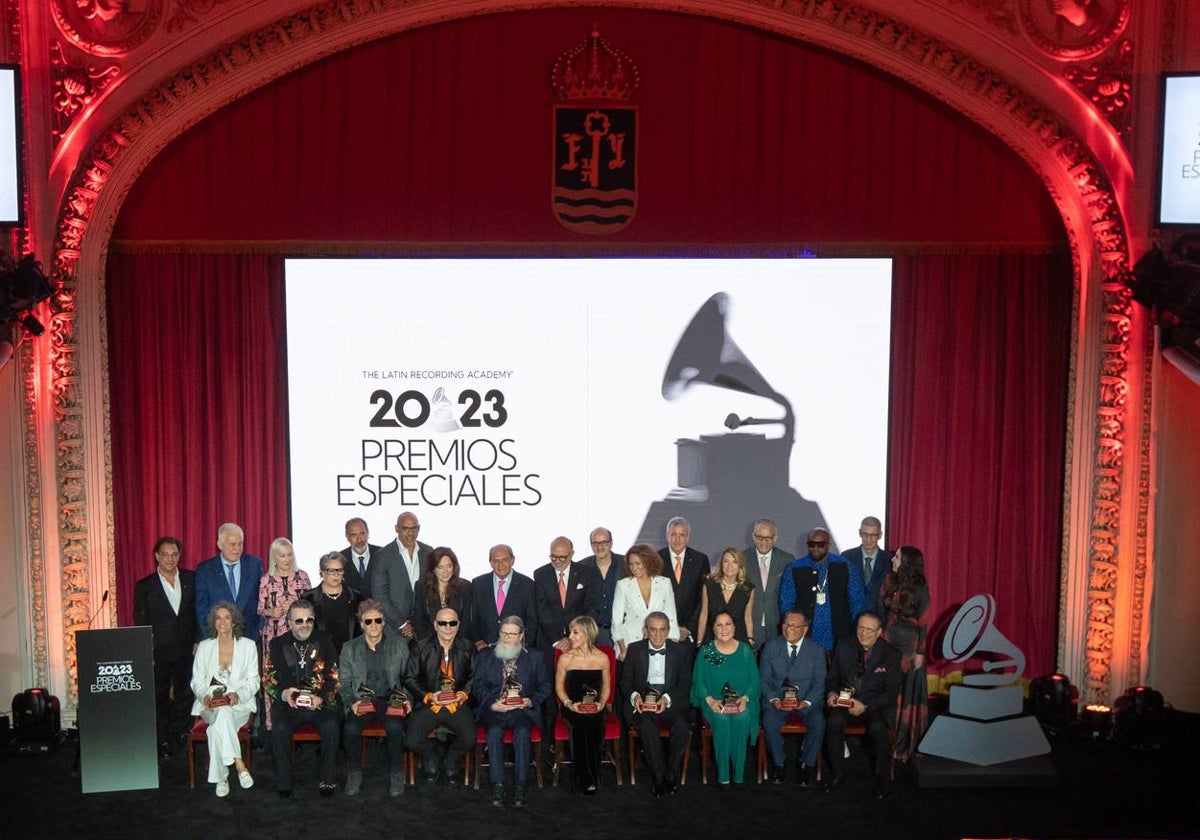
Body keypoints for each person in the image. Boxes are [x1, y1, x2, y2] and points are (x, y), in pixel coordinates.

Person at [265, 599, 341, 798]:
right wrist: (283, 693)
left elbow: (334, 676)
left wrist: (322, 698)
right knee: (279, 728)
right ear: (289, 622)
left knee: (332, 725)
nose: (305, 624)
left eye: (309, 620)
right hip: (289, 704)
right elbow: (269, 678)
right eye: (299, 621)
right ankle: (284, 781)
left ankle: (327, 778)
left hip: (319, 702)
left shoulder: (325, 640)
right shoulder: (277, 644)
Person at [473, 616, 551, 808]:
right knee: (493, 732)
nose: (507, 638)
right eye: (503, 633)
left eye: (512, 634)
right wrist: (492, 704)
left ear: (521, 635)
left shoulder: (535, 657)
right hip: (495, 708)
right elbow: (478, 686)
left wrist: (530, 700)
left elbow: (545, 685)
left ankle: (521, 785)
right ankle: (497, 784)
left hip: (521, 709)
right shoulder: (485, 655)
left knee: (523, 732)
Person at [824, 611, 901, 798]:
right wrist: (831, 693)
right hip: (845, 700)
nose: (863, 633)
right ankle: (838, 773)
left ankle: (883, 778)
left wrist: (865, 706)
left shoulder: (891, 653)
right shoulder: (844, 645)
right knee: (834, 721)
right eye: (860, 627)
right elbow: (832, 678)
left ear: (879, 632)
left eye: (869, 629)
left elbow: (891, 693)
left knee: (877, 727)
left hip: (873, 704)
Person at [132, 536, 197, 757]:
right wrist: (144, 650)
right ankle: (163, 740)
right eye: (165, 554)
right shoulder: (145, 586)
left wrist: (198, 640)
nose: (170, 559)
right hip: (157, 652)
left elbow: (197, 614)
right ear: (157, 556)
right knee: (159, 697)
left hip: (187, 650)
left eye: (174, 554)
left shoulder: (191, 579)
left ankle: (181, 733)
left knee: (186, 693)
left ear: (180, 556)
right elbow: (140, 622)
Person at [339, 599, 411, 797]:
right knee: (350, 728)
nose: (373, 625)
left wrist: (408, 699)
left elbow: (409, 678)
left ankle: (397, 774)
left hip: (391, 699)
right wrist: (350, 703)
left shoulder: (399, 645)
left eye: (377, 620)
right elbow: (344, 683)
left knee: (395, 727)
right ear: (361, 624)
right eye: (368, 621)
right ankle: (354, 773)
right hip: (362, 700)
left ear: (384, 622)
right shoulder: (349, 648)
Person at [619, 611, 694, 796]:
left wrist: (666, 699)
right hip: (642, 704)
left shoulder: (681, 651)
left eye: (662, 630)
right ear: (645, 631)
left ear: (669, 631)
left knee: (682, 726)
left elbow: (685, 683)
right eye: (653, 630)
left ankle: (671, 773)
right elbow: (625, 681)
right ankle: (659, 775)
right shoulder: (635, 649)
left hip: (669, 702)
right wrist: (635, 696)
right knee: (647, 725)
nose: (658, 635)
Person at [189, 601, 257, 797]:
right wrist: (204, 697)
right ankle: (239, 763)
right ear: (213, 622)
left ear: (234, 621)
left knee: (216, 728)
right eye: (218, 618)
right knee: (221, 711)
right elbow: (196, 682)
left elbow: (254, 682)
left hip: (239, 705)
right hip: (209, 705)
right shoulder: (204, 647)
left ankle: (221, 778)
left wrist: (239, 694)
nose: (223, 622)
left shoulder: (248, 646)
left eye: (227, 617)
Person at [404, 606, 476, 788]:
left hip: (457, 704)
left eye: (452, 623)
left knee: (469, 739)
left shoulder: (468, 647)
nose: (447, 628)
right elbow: (409, 678)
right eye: (443, 623)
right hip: (430, 703)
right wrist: (428, 696)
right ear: (435, 625)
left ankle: (450, 759)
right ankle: (431, 756)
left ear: (458, 625)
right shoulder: (420, 647)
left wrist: (464, 693)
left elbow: (475, 676)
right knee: (411, 740)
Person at [691, 611, 759, 788]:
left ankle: (738, 774)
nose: (724, 629)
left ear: (735, 627)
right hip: (713, 701)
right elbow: (699, 682)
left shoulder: (745, 651)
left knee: (742, 717)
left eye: (728, 624)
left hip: (740, 701)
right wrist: (711, 700)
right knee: (721, 719)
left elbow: (754, 681)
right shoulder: (707, 651)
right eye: (719, 625)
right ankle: (723, 774)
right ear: (713, 629)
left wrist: (745, 698)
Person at [759, 611, 825, 786]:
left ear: (805, 629)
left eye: (794, 625)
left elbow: (819, 684)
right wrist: (774, 700)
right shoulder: (770, 647)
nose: (789, 628)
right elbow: (763, 681)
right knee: (769, 721)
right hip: (777, 702)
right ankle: (779, 764)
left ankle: (807, 764)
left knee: (819, 722)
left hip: (805, 703)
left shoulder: (817, 651)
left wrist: (806, 702)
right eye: (786, 624)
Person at [879, 545, 930, 762]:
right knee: (888, 690)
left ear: (907, 562)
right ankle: (884, 739)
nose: (893, 560)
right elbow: (881, 610)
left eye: (897, 557)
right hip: (888, 641)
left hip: (910, 647)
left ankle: (902, 746)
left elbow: (924, 622)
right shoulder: (889, 580)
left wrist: (920, 652)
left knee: (906, 693)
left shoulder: (920, 588)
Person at [779, 526, 864, 652]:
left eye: (820, 544)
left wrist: (856, 631)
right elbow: (786, 603)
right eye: (811, 544)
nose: (815, 548)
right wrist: (792, 629)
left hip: (840, 635)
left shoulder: (844, 566)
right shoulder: (794, 568)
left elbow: (856, 601)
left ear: (828, 545)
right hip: (805, 637)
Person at [554, 616, 610, 795]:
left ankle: (594, 775)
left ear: (588, 633)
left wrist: (601, 703)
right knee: (579, 725)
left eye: (575, 632)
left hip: (595, 707)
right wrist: (569, 704)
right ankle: (583, 779)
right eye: (571, 632)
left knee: (595, 724)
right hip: (572, 706)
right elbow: (559, 688)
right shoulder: (565, 659)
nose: (570, 636)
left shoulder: (603, 658)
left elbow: (607, 686)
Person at [195, 522, 263, 641]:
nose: (237, 549)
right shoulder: (205, 570)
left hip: (249, 639)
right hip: (217, 639)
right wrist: (210, 639)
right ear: (220, 544)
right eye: (232, 544)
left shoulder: (254, 565)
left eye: (240, 544)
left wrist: (256, 634)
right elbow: (202, 609)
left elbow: (262, 601)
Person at [369, 510, 432, 638]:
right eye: (405, 528)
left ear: (419, 528)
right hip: (394, 630)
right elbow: (380, 596)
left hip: (424, 629)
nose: (410, 533)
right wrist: (402, 624)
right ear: (397, 528)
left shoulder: (428, 552)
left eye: (414, 528)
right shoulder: (383, 555)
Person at [610, 543, 678, 662]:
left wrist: (673, 645)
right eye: (631, 564)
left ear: (648, 562)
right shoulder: (623, 585)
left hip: (659, 641)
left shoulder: (664, 583)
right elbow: (616, 621)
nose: (634, 568)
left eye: (637, 563)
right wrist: (623, 649)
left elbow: (671, 617)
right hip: (630, 643)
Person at [534, 536, 602, 654]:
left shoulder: (586, 573)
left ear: (572, 554)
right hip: (551, 643)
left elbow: (592, 607)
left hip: (582, 643)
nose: (557, 561)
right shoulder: (541, 574)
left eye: (562, 557)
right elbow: (542, 611)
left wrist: (576, 637)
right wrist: (557, 640)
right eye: (553, 557)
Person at [257, 537, 312, 673]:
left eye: (289, 555)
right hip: (274, 633)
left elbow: (312, 604)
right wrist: (271, 612)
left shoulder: (302, 576)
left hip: (300, 632)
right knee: (275, 671)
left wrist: (296, 606)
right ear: (274, 558)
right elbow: (260, 609)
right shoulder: (266, 580)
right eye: (282, 556)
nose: (287, 559)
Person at [470, 544, 538, 649]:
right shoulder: (478, 584)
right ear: (490, 563)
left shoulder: (527, 585)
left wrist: (524, 645)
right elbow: (472, 617)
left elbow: (532, 620)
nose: (500, 565)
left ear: (512, 560)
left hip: (517, 649)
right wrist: (477, 640)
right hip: (485, 650)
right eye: (495, 560)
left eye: (504, 560)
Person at [743, 518, 794, 649]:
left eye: (768, 538)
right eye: (759, 537)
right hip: (749, 625)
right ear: (753, 537)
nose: (763, 542)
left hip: (776, 625)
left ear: (775, 538)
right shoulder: (742, 558)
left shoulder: (787, 560)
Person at [658, 516, 708, 643]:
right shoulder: (656, 559)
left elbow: (703, 598)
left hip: (691, 633)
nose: (677, 539)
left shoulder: (700, 560)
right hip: (662, 632)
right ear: (667, 536)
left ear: (688, 537)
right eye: (673, 534)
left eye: (682, 535)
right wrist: (670, 628)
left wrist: (689, 628)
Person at [412, 546, 475, 642]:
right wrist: (431, 645)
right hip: (429, 643)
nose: (445, 571)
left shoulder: (465, 587)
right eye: (440, 567)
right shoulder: (421, 587)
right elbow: (419, 621)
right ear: (433, 569)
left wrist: (455, 644)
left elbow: (466, 622)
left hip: (458, 643)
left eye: (449, 566)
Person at [696, 548, 756, 647]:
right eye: (726, 561)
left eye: (734, 562)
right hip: (712, 640)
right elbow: (704, 615)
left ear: (740, 565)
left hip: (738, 641)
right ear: (721, 564)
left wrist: (750, 639)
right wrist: (699, 641)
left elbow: (748, 617)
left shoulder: (748, 589)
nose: (729, 566)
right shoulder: (709, 585)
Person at [303, 551, 362, 652]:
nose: (336, 575)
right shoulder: (309, 598)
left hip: (350, 654)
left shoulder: (356, 596)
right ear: (322, 572)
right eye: (331, 571)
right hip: (319, 655)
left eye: (339, 570)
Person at [579, 526, 626, 648]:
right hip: (592, 635)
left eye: (604, 543)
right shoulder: (581, 567)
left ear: (611, 543)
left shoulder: (626, 564)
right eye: (595, 543)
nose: (599, 547)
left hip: (623, 633)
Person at [842, 516, 893, 617]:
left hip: (879, 622)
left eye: (873, 535)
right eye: (865, 534)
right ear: (859, 533)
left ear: (880, 535)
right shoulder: (846, 557)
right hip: (851, 621)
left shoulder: (889, 560)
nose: (868, 539)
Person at [341, 517, 383, 596]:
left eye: (362, 533)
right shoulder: (340, 559)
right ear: (347, 536)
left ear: (368, 533)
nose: (359, 539)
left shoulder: (383, 554)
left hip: (379, 607)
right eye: (354, 535)